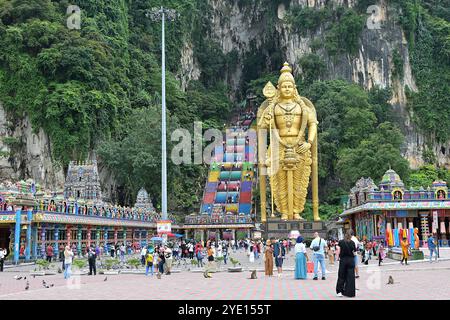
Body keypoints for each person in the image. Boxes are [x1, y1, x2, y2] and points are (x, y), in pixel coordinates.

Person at [336, 230, 357, 297]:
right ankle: (350, 292)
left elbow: (338, 250)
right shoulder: (352, 242)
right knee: (351, 276)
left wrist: (337, 258)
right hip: (351, 260)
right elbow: (354, 252)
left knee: (341, 275)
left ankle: (339, 291)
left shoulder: (341, 242)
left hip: (343, 260)